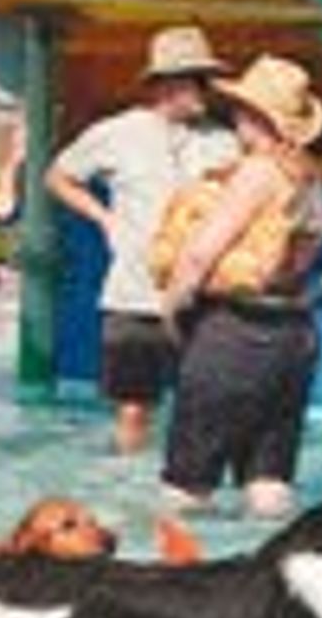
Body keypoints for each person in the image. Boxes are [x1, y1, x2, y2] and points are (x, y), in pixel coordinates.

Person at [42, 25, 236, 452]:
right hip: (134, 294)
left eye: (207, 79)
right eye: (196, 79)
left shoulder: (224, 142)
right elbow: (58, 177)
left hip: (202, 297)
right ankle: (128, 484)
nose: (207, 89)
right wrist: (105, 219)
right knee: (133, 407)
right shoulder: (117, 133)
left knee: (203, 404)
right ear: (166, 84)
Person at [157, 54, 322, 518]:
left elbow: (200, 253)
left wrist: (172, 306)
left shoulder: (257, 173)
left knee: (186, 490)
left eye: (241, 110)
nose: (234, 117)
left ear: (258, 118)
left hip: (235, 332)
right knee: (269, 485)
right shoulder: (312, 178)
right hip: (296, 335)